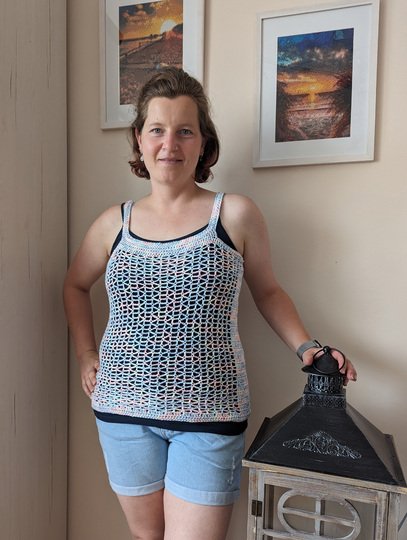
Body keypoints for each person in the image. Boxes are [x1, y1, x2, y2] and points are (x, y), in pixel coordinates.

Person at [63, 67, 357, 540]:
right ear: (139, 139)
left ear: (204, 142)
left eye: (185, 131)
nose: (169, 144)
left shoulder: (235, 214)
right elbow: (75, 286)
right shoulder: (111, 224)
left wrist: (308, 348)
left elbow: (268, 292)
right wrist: (84, 354)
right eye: (157, 130)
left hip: (210, 413)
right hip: (121, 411)